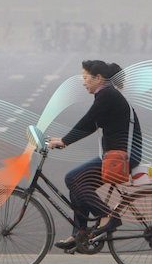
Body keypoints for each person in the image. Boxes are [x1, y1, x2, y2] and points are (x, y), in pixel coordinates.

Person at [48, 60, 143, 251]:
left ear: (98, 78)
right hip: (115, 155)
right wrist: (64, 140)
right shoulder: (106, 95)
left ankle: (108, 216)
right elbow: (92, 125)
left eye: (85, 78)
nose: (83, 82)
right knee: (77, 181)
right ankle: (80, 233)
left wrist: (65, 141)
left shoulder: (107, 95)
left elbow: (88, 120)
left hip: (122, 158)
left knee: (73, 178)